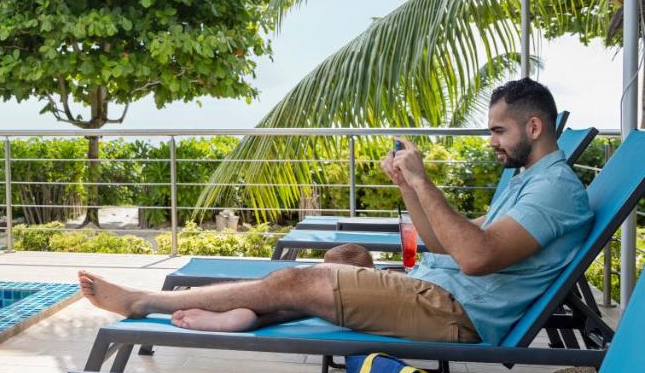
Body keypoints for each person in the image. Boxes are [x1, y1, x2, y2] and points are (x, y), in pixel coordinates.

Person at [78, 79, 592, 346]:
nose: (491, 142)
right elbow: (442, 244)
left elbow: (476, 259)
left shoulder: (554, 191)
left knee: (297, 279)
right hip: (436, 286)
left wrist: (423, 179)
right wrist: (407, 186)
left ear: (533, 128)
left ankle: (145, 302)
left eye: (499, 131)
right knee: (348, 256)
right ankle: (250, 316)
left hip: (454, 311)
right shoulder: (526, 182)